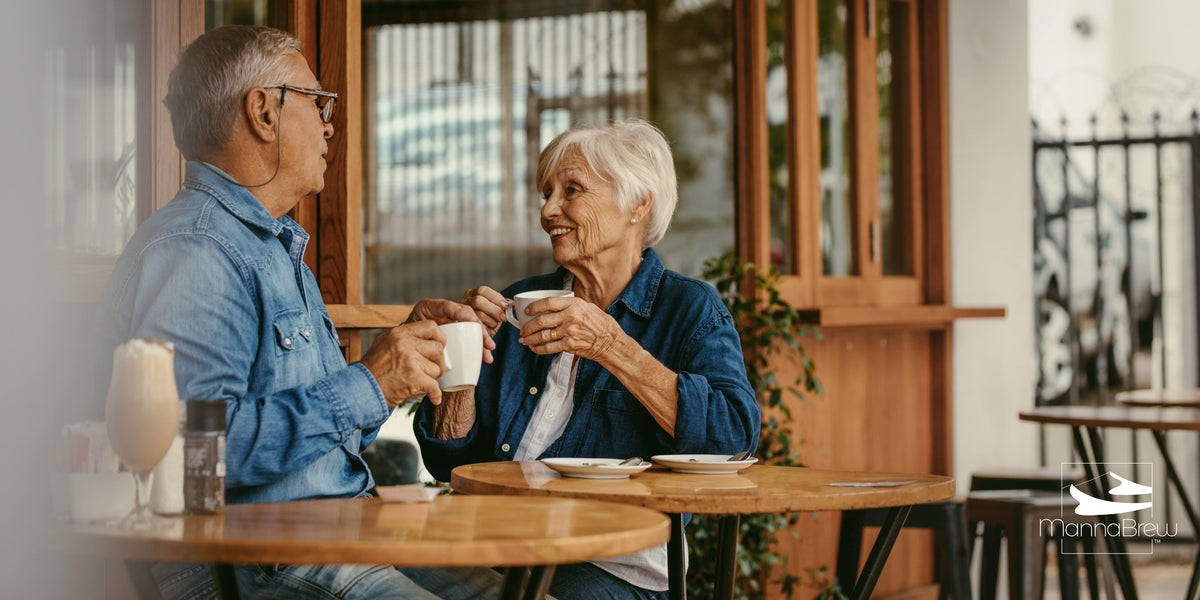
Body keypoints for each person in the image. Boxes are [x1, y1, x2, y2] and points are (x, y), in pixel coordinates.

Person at [93, 25, 494, 600]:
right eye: (317, 101)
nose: (330, 122)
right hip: (251, 562)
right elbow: (194, 456)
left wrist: (396, 369)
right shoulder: (200, 250)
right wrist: (370, 380)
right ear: (263, 111)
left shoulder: (272, 247)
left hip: (334, 539)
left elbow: (327, 437)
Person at [410, 120, 761, 599]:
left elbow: (734, 437)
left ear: (638, 204)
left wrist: (612, 347)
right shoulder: (519, 304)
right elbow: (450, 463)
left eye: (571, 190)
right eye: (546, 193)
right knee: (375, 580)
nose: (548, 210)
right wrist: (461, 362)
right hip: (497, 545)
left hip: (613, 566)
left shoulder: (689, 309)